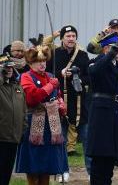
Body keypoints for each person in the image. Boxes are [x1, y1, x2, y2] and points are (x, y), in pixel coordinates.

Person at [15, 44, 69, 185]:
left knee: (47, 167)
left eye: (44, 61)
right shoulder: (26, 77)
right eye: (38, 61)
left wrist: (61, 105)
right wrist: (51, 85)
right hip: (33, 124)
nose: (42, 64)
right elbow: (32, 98)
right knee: (34, 167)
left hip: (51, 126)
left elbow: (57, 96)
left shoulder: (50, 76)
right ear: (31, 63)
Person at [46, 25, 91, 180]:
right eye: (68, 36)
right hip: (60, 101)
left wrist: (76, 77)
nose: (71, 39)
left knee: (87, 139)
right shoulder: (54, 54)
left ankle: (92, 173)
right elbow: (49, 76)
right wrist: (61, 74)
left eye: (73, 36)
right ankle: (61, 171)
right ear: (62, 38)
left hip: (80, 103)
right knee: (60, 139)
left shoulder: (83, 55)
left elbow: (89, 77)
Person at [86, 32, 118, 185]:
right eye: (116, 48)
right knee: (99, 160)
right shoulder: (99, 62)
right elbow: (94, 71)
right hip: (101, 115)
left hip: (114, 114)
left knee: (109, 160)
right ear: (106, 48)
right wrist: (109, 55)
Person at [0, 55, 26, 185]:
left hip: (14, 137)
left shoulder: (17, 87)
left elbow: (23, 110)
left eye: (11, 67)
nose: (9, 69)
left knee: (6, 174)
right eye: (6, 67)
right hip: (1, 136)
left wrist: (23, 129)